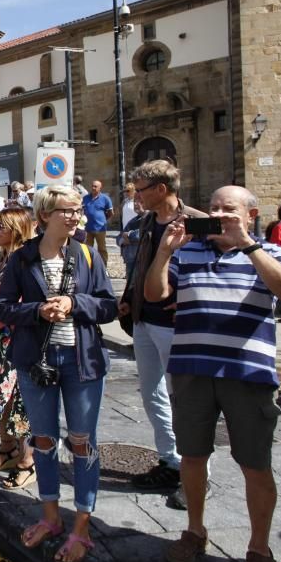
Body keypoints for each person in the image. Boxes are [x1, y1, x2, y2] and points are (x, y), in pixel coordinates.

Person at [144, 186, 281, 562]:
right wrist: (165, 249)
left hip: (247, 374)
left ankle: (259, 548)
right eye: (212, 208)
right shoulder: (189, 251)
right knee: (192, 458)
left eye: (227, 208)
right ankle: (195, 531)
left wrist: (247, 244)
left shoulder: (270, 253)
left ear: (251, 214)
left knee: (255, 463)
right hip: (191, 371)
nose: (217, 213)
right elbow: (154, 295)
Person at [0, 185, 117, 562]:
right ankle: (51, 517)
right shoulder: (22, 260)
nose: (75, 215)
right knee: (44, 440)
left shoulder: (88, 255)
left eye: (78, 209)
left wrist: (74, 303)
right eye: (67, 210)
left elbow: (109, 306)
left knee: (82, 442)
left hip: (82, 361)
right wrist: (36, 311)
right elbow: (3, 308)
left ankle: (82, 524)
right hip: (37, 361)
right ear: (45, 215)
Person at [119, 160, 207, 498]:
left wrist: (189, 296)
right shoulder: (145, 222)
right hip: (144, 319)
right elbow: (138, 266)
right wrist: (128, 297)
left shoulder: (197, 222)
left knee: (185, 400)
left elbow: (215, 268)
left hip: (177, 325)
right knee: (152, 394)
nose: (136, 197)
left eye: (141, 190)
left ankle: (196, 476)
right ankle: (171, 462)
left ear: (160, 189)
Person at [0, 210, 38, 490]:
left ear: (16, 228)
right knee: (0, 395)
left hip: (16, 337)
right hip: (0, 336)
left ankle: (27, 460)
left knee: (17, 399)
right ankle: (9, 447)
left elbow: (24, 296)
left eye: (1, 226)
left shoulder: (24, 257)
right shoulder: (4, 258)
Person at [81, 180, 113, 263]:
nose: (93, 188)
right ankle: (88, 265)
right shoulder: (85, 198)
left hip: (100, 228)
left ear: (100, 188)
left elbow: (111, 213)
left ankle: (103, 266)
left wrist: (102, 220)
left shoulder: (105, 198)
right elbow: (81, 210)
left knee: (102, 249)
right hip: (87, 228)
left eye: (95, 186)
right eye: (92, 186)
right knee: (87, 248)